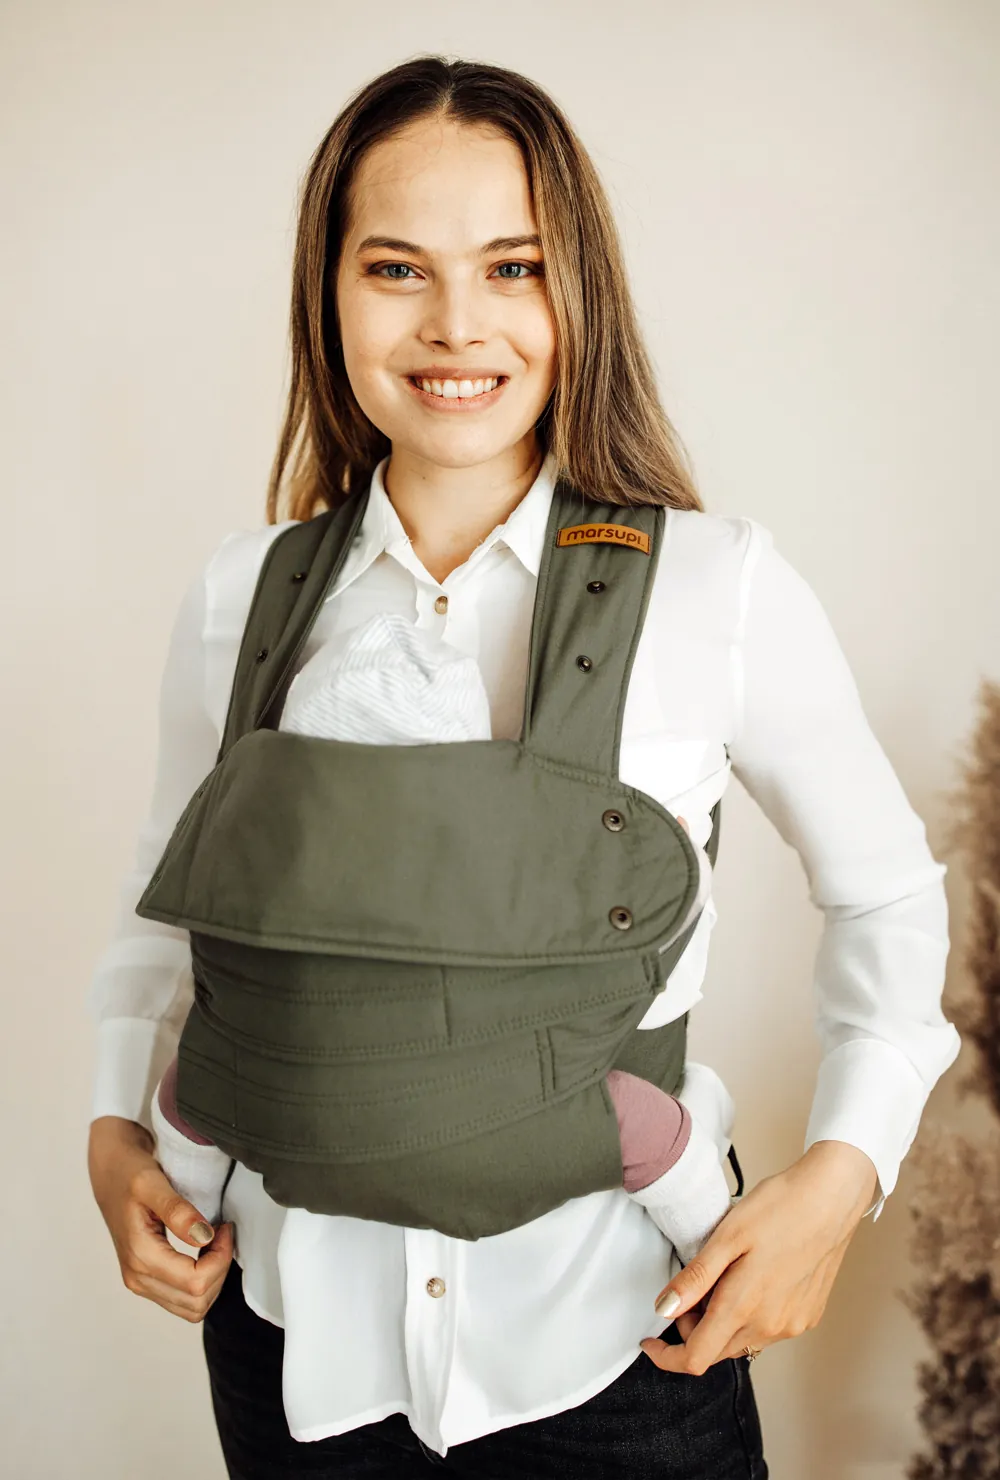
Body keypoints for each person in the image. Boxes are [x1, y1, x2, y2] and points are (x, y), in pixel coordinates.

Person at [85, 55, 961, 1479]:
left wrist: (840, 1173)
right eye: (396, 269)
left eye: (513, 267)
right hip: (295, 1345)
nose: (456, 324)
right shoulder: (243, 598)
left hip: (625, 1349)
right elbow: (168, 909)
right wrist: (114, 1126)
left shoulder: (714, 586)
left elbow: (888, 897)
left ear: (578, 293)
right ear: (327, 293)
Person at [149, 609, 734, 1267]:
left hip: (279, 1129)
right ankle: (712, 1249)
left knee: (191, 1088)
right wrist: (684, 859)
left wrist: (183, 1213)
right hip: (512, 1142)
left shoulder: (264, 852)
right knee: (647, 1129)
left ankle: (189, 1226)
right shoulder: (511, 863)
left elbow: (185, 1072)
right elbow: (639, 941)